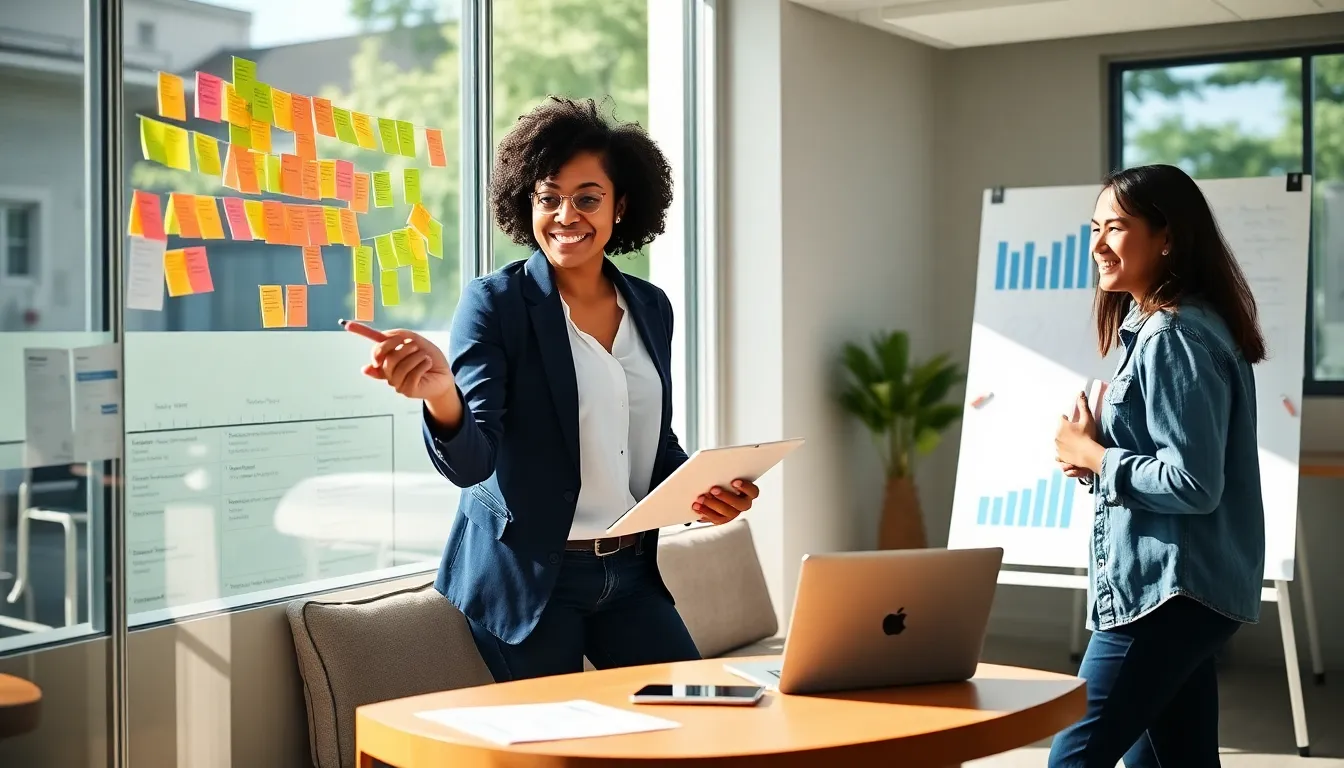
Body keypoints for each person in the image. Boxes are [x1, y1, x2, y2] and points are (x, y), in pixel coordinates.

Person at [349, 96, 760, 682]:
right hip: (532, 582)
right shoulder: (496, 303)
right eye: (549, 198)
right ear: (528, 203)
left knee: (699, 717)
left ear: (621, 207)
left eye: (587, 198)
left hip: (631, 574)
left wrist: (704, 493)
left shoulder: (650, 306)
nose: (566, 215)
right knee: (559, 745)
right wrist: (442, 395)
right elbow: (473, 461)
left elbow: (645, 442)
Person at [1047, 164, 1267, 768]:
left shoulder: (1174, 333)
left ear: (1165, 235)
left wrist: (1094, 454)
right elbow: (1170, 463)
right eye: (1094, 228)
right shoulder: (1164, 327)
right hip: (1182, 594)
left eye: (1114, 229)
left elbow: (1193, 484)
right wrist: (1096, 462)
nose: (1096, 246)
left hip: (1167, 596)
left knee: (1071, 758)